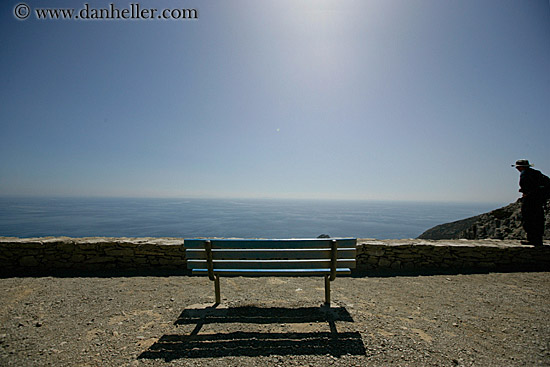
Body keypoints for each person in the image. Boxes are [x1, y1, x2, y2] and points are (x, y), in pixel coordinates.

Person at [512, 159, 549, 247]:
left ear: (520, 167)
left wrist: (524, 192)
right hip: (539, 200)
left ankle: (532, 239)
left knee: (529, 219)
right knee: (538, 219)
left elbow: (526, 187)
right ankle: (538, 240)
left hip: (530, 200)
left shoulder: (525, 174)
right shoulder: (537, 173)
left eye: (517, 167)